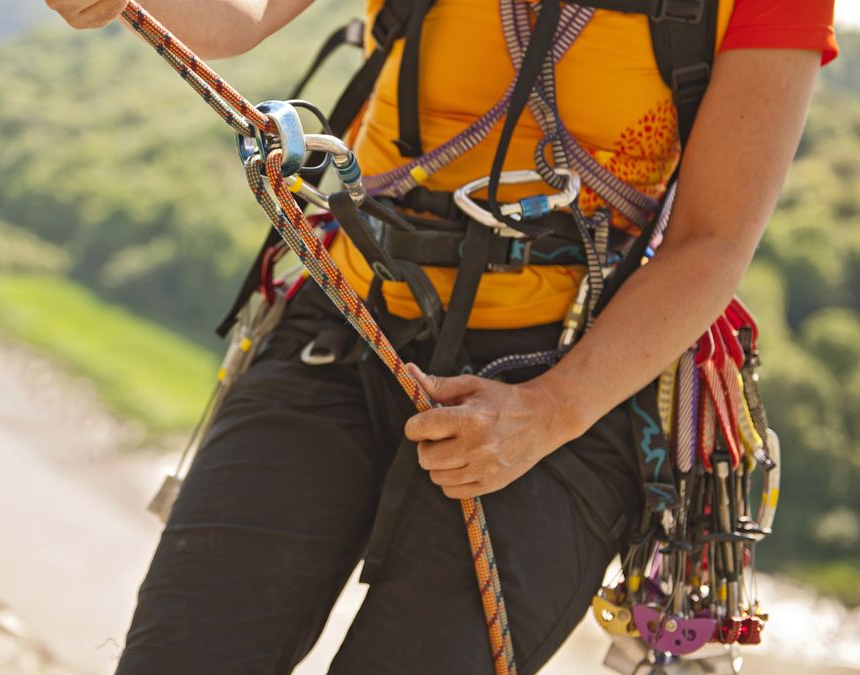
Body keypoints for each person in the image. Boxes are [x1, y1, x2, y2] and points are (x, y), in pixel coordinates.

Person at [47, 0, 838, 672]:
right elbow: (238, 12)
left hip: (570, 379)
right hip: (352, 313)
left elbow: (713, 240)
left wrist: (550, 411)